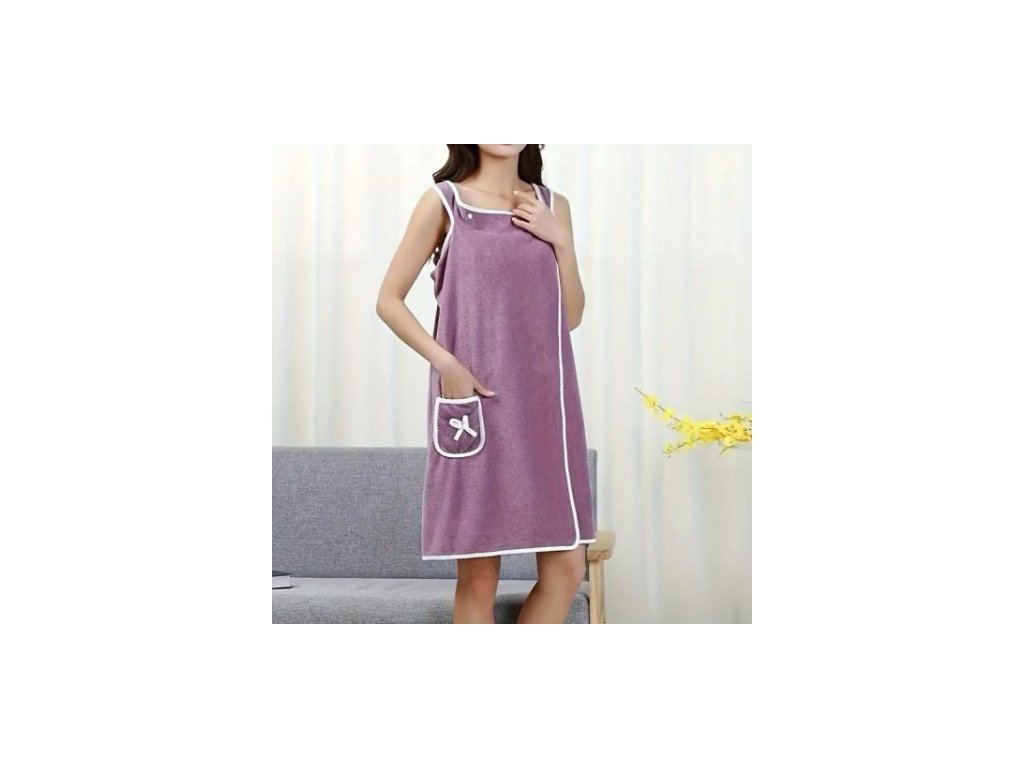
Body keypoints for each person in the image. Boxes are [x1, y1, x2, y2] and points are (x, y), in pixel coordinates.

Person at [376, 144, 595, 623]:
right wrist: (447, 365)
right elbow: (388, 299)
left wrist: (561, 241)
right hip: (476, 404)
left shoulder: (552, 206)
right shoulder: (444, 203)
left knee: (567, 566)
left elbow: (571, 316)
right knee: (479, 576)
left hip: (546, 411)